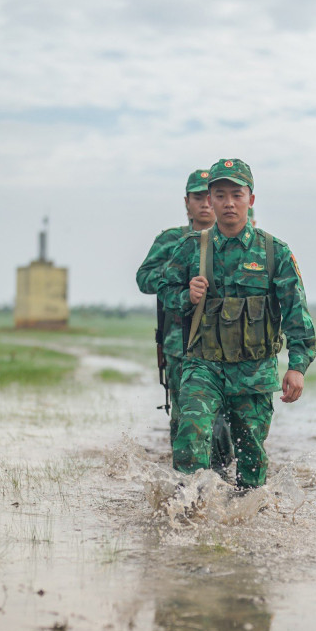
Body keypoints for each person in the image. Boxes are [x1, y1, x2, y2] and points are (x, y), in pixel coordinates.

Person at [159, 159, 316, 490]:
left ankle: (246, 524)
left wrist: (297, 366)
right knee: (190, 436)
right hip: (203, 364)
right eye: (219, 195)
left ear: (251, 199)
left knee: (251, 459)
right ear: (211, 200)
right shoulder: (191, 248)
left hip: (254, 371)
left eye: (236, 194)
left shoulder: (274, 252)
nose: (228, 203)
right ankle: (193, 513)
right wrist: (186, 296)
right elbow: (164, 290)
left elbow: (296, 314)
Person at [136, 170, 234, 470]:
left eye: (209, 196)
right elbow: (145, 279)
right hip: (180, 343)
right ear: (186, 203)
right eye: (197, 197)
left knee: (224, 417)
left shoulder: (233, 237)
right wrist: (179, 275)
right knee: (184, 416)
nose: (205, 204)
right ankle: (189, 481)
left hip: (225, 341)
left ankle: (218, 475)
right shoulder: (171, 241)